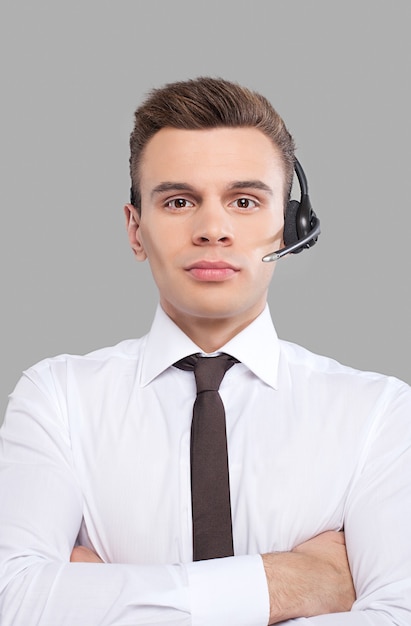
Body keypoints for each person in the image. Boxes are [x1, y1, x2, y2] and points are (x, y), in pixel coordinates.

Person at [0, 77, 410, 626]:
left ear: (290, 226)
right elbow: (12, 601)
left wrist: (99, 598)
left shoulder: (378, 414)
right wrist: (281, 585)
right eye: (178, 201)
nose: (212, 229)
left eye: (244, 201)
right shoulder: (57, 399)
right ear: (135, 230)